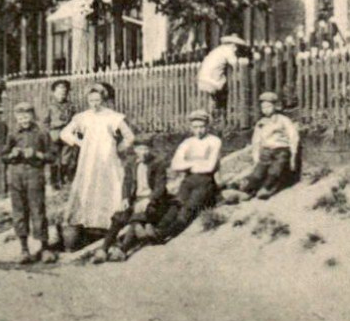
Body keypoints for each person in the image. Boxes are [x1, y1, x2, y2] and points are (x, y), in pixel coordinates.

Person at [57, 82, 135, 238]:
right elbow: (64, 133)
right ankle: (89, 223)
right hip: (89, 159)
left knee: (109, 186)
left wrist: (118, 148)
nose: (94, 104)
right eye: (91, 100)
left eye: (97, 100)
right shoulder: (82, 117)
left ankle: (109, 224)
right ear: (87, 100)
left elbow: (130, 137)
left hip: (107, 158)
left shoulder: (112, 116)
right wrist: (80, 143)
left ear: (103, 99)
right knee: (88, 185)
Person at [95, 139, 170, 263]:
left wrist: (149, 199)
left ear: (151, 149)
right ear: (135, 150)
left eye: (146, 149)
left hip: (153, 200)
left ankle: (123, 250)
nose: (143, 152)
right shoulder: (131, 163)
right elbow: (127, 183)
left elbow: (160, 187)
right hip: (135, 199)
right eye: (140, 149)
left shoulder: (158, 163)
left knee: (137, 217)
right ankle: (104, 248)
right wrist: (125, 198)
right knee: (119, 216)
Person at [158, 109, 224, 241]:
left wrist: (188, 163)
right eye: (195, 127)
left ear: (207, 126)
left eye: (202, 127)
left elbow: (210, 166)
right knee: (176, 204)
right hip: (188, 180)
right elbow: (175, 165)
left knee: (189, 207)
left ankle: (166, 234)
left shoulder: (214, 141)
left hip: (206, 181)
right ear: (191, 127)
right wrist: (196, 163)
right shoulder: (187, 143)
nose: (199, 131)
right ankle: (157, 229)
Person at [2, 101, 52, 263]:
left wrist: (37, 155)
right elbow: (3, 156)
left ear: (32, 115)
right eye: (20, 116)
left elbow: (52, 156)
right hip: (16, 176)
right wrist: (12, 154)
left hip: (34, 175)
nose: (24, 119)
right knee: (19, 212)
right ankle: (24, 249)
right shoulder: (12, 134)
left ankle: (44, 247)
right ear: (16, 117)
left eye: (27, 115)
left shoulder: (41, 133)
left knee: (37, 210)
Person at [236, 91, 300, 200]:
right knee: (258, 172)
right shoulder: (261, 123)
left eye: (268, 106)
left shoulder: (283, 120)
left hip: (281, 150)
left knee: (275, 171)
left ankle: (267, 189)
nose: (266, 109)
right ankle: (246, 191)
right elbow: (256, 141)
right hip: (266, 151)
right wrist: (256, 157)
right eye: (263, 107)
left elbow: (293, 136)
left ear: (275, 106)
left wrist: (293, 154)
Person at [196, 34, 247, 115]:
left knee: (211, 98)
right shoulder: (228, 51)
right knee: (222, 91)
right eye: (236, 47)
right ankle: (219, 112)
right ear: (232, 45)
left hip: (203, 77)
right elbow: (234, 63)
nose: (236, 49)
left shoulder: (218, 50)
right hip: (213, 80)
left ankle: (212, 112)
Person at [44, 79, 76, 190]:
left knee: (66, 158)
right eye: (59, 92)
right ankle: (53, 182)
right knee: (54, 158)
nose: (62, 94)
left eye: (64, 92)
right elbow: (45, 122)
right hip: (54, 134)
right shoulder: (50, 106)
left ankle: (63, 178)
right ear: (54, 92)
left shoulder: (70, 106)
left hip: (67, 134)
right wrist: (49, 132)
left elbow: (75, 119)